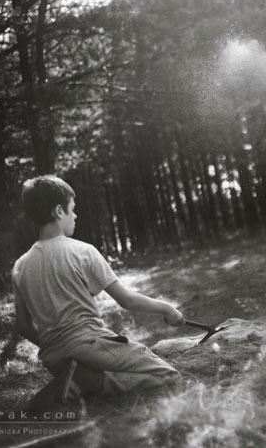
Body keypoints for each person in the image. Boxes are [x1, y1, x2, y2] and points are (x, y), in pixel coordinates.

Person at [13, 175, 185, 411]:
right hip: (90, 345)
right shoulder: (83, 251)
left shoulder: (20, 266)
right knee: (169, 376)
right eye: (73, 209)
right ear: (60, 211)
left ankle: (75, 380)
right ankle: (91, 381)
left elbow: (23, 326)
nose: (76, 215)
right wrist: (166, 308)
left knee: (100, 365)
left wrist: (55, 344)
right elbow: (126, 300)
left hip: (54, 358)